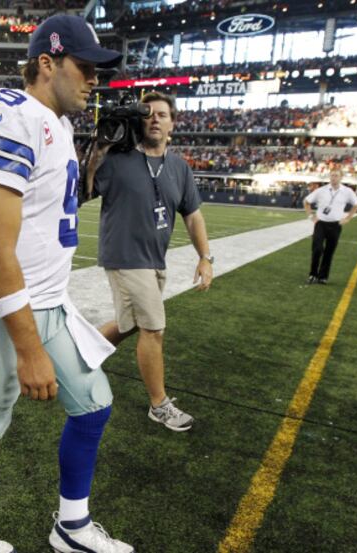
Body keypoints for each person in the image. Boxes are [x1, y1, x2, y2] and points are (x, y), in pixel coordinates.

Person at [0, 15, 133, 553]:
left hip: (51, 300)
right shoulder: (5, 112)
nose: (95, 80)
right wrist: (28, 349)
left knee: (93, 405)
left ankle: (71, 527)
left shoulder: (59, 124)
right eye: (85, 67)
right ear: (47, 63)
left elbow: (54, 204)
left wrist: (101, 156)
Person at [85, 90, 213, 432]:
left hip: (154, 259)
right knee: (154, 328)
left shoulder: (179, 167)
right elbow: (82, 189)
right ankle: (159, 405)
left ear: (172, 123)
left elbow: (193, 216)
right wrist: (99, 147)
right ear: (138, 122)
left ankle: (77, 357)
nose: (154, 118)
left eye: (162, 114)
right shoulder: (118, 159)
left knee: (128, 325)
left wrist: (205, 257)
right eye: (148, 114)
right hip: (124, 256)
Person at [303, 169, 357, 284]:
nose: (334, 178)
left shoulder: (347, 191)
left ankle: (323, 277)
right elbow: (306, 201)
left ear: (341, 177)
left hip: (335, 225)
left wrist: (348, 218)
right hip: (320, 224)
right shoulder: (321, 190)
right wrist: (310, 216)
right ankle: (313, 274)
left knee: (329, 251)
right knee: (317, 249)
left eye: (336, 176)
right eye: (332, 175)